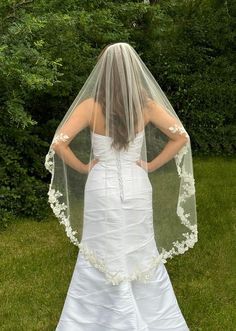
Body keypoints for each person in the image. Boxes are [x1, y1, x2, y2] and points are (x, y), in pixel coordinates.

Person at [45, 42, 197, 330]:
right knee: (139, 250)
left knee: (100, 251)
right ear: (132, 71)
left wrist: (84, 167)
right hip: (137, 185)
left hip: (101, 188)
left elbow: (59, 143)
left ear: (103, 71)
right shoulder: (146, 105)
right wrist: (150, 166)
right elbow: (181, 137)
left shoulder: (90, 106)